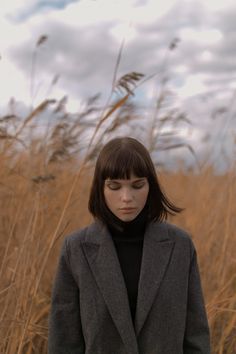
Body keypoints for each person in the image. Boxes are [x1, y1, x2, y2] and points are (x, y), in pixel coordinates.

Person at [48, 136, 210, 354]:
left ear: (150, 185)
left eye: (137, 185)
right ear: (100, 188)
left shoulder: (180, 246)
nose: (126, 197)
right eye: (114, 186)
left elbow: (196, 336)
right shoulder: (75, 249)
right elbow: (63, 342)